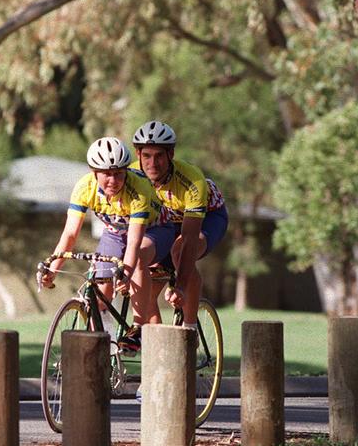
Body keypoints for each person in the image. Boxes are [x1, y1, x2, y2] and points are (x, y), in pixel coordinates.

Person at [39, 136, 174, 351]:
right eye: (106, 174)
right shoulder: (84, 187)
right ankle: (107, 350)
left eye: (119, 174)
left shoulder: (138, 189)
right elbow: (70, 234)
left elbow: (133, 242)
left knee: (138, 256)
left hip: (155, 230)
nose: (113, 180)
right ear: (94, 173)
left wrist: (125, 272)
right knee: (101, 294)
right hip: (115, 232)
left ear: (126, 172)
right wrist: (53, 269)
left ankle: (138, 328)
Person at [131, 120, 228, 329]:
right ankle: (158, 346)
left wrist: (181, 287)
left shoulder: (192, 180)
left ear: (171, 154)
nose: (152, 163)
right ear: (138, 154)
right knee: (145, 288)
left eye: (159, 156)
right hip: (165, 225)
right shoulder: (131, 176)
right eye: (146, 156)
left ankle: (189, 329)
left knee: (180, 250)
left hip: (207, 220)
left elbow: (191, 239)